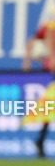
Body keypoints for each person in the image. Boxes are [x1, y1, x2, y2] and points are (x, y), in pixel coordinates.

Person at [22, 13, 55, 158]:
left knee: (50, 106)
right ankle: (40, 140)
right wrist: (27, 61)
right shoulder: (49, 26)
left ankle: (40, 140)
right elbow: (32, 41)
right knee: (49, 106)